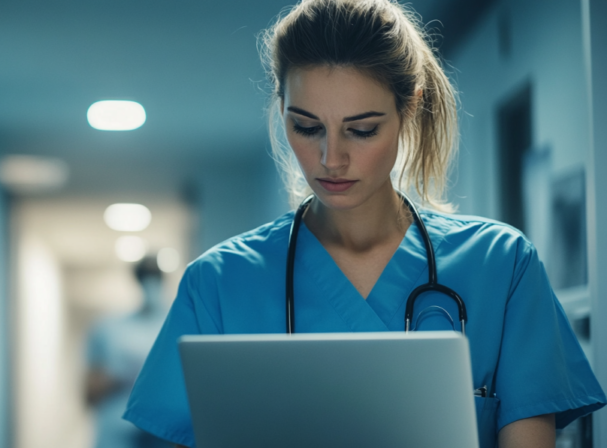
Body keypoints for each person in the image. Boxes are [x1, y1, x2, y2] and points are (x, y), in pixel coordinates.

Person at [122, 0, 606, 447]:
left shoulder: (501, 265)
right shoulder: (219, 284)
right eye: (307, 127)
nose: (331, 158)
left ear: (409, 109)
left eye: (362, 129)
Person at [85, 256, 170, 448]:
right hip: (117, 435)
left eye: (155, 276)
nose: (150, 283)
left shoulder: (175, 326)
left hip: (161, 434)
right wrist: (115, 377)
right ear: (137, 280)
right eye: (145, 276)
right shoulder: (108, 328)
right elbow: (88, 394)